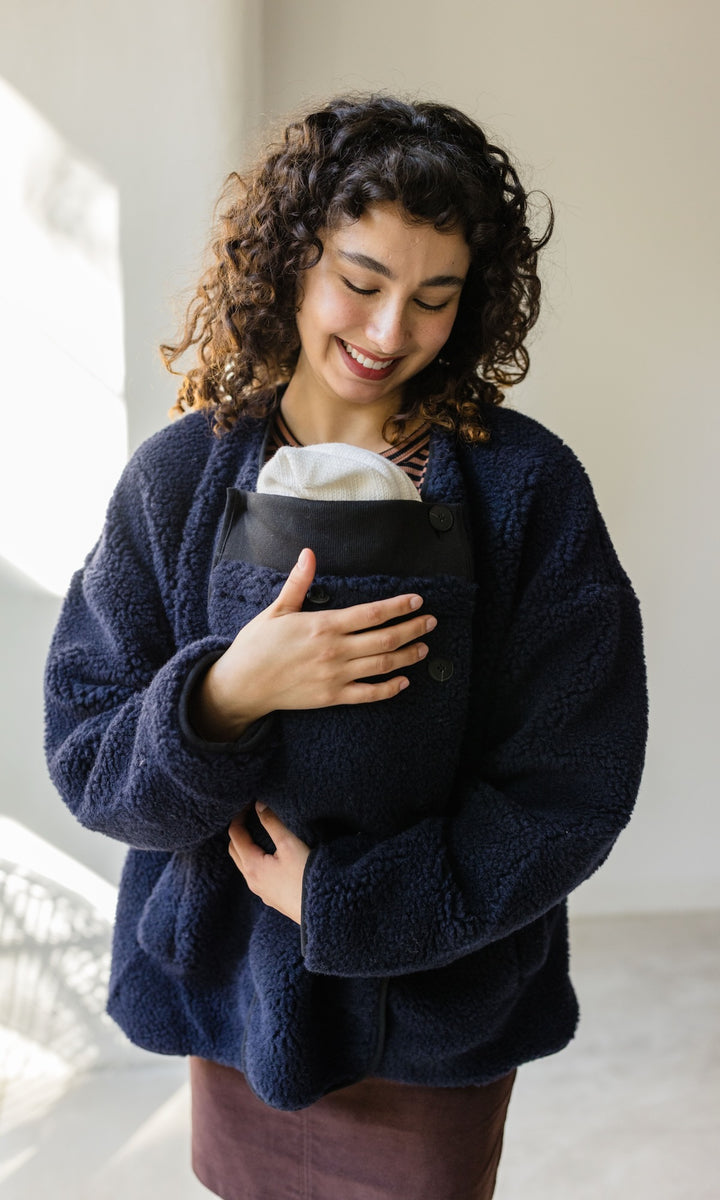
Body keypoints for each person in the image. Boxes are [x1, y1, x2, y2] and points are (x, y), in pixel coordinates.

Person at [44, 94, 648, 1199]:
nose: (386, 334)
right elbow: (87, 752)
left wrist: (348, 903)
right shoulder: (176, 480)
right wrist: (224, 695)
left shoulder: (527, 490)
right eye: (361, 283)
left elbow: (577, 780)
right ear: (290, 264)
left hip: (438, 1006)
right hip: (231, 1000)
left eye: (433, 299)